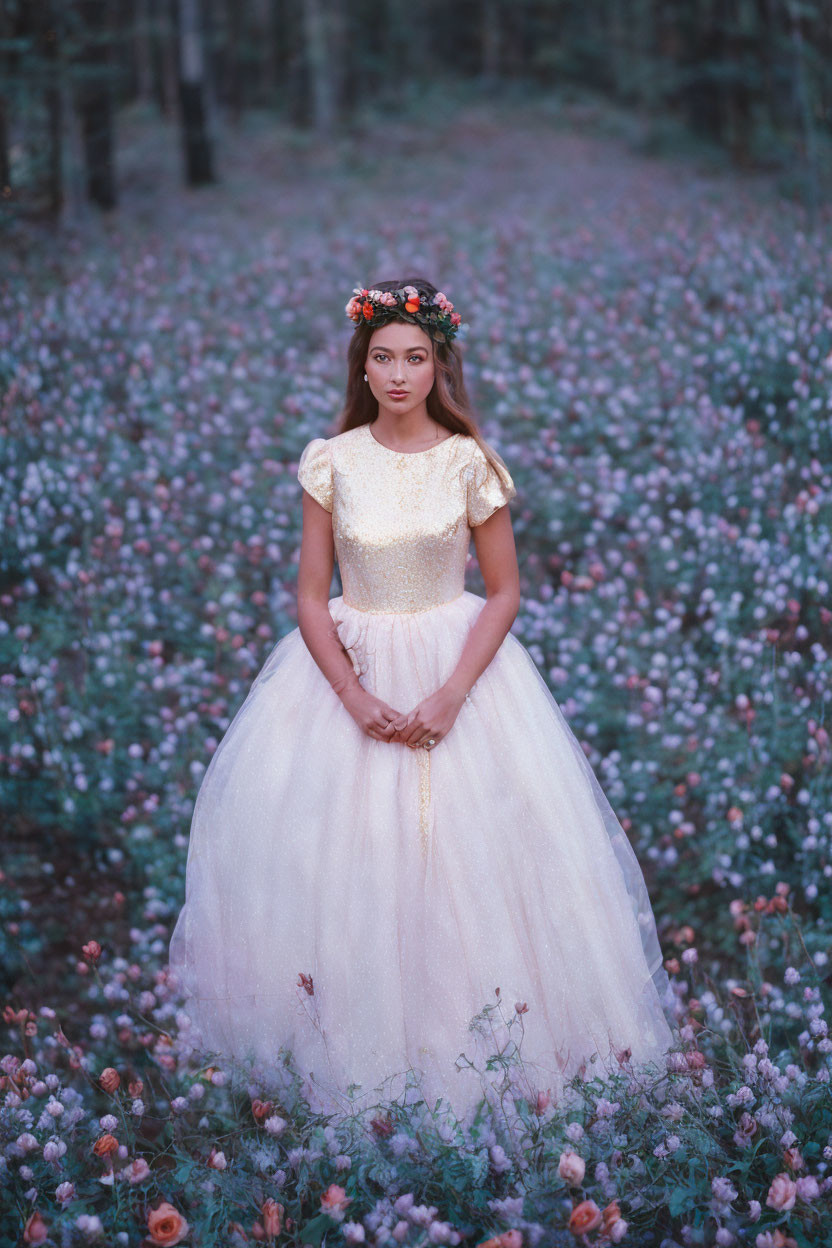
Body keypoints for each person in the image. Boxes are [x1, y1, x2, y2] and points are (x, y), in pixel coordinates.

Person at [167, 275, 678, 1122]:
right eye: (382, 358)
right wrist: (352, 694)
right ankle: (361, 1073)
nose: (399, 373)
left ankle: (485, 1071)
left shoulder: (468, 461)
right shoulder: (331, 461)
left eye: (415, 357)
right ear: (361, 368)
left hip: (459, 671)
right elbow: (307, 594)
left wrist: (448, 695)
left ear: (439, 365)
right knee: (347, 862)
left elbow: (506, 592)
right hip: (348, 670)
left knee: (472, 866)